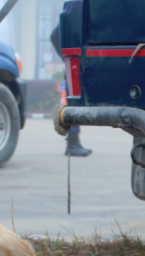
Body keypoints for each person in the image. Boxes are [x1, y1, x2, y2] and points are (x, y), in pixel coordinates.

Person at [51, 24, 92, 157]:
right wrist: (67, 57)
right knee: (73, 106)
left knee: (75, 106)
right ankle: (72, 144)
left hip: (76, 68)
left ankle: (74, 143)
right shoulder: (75, 14)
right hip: (74, 68)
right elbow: (55, 36)